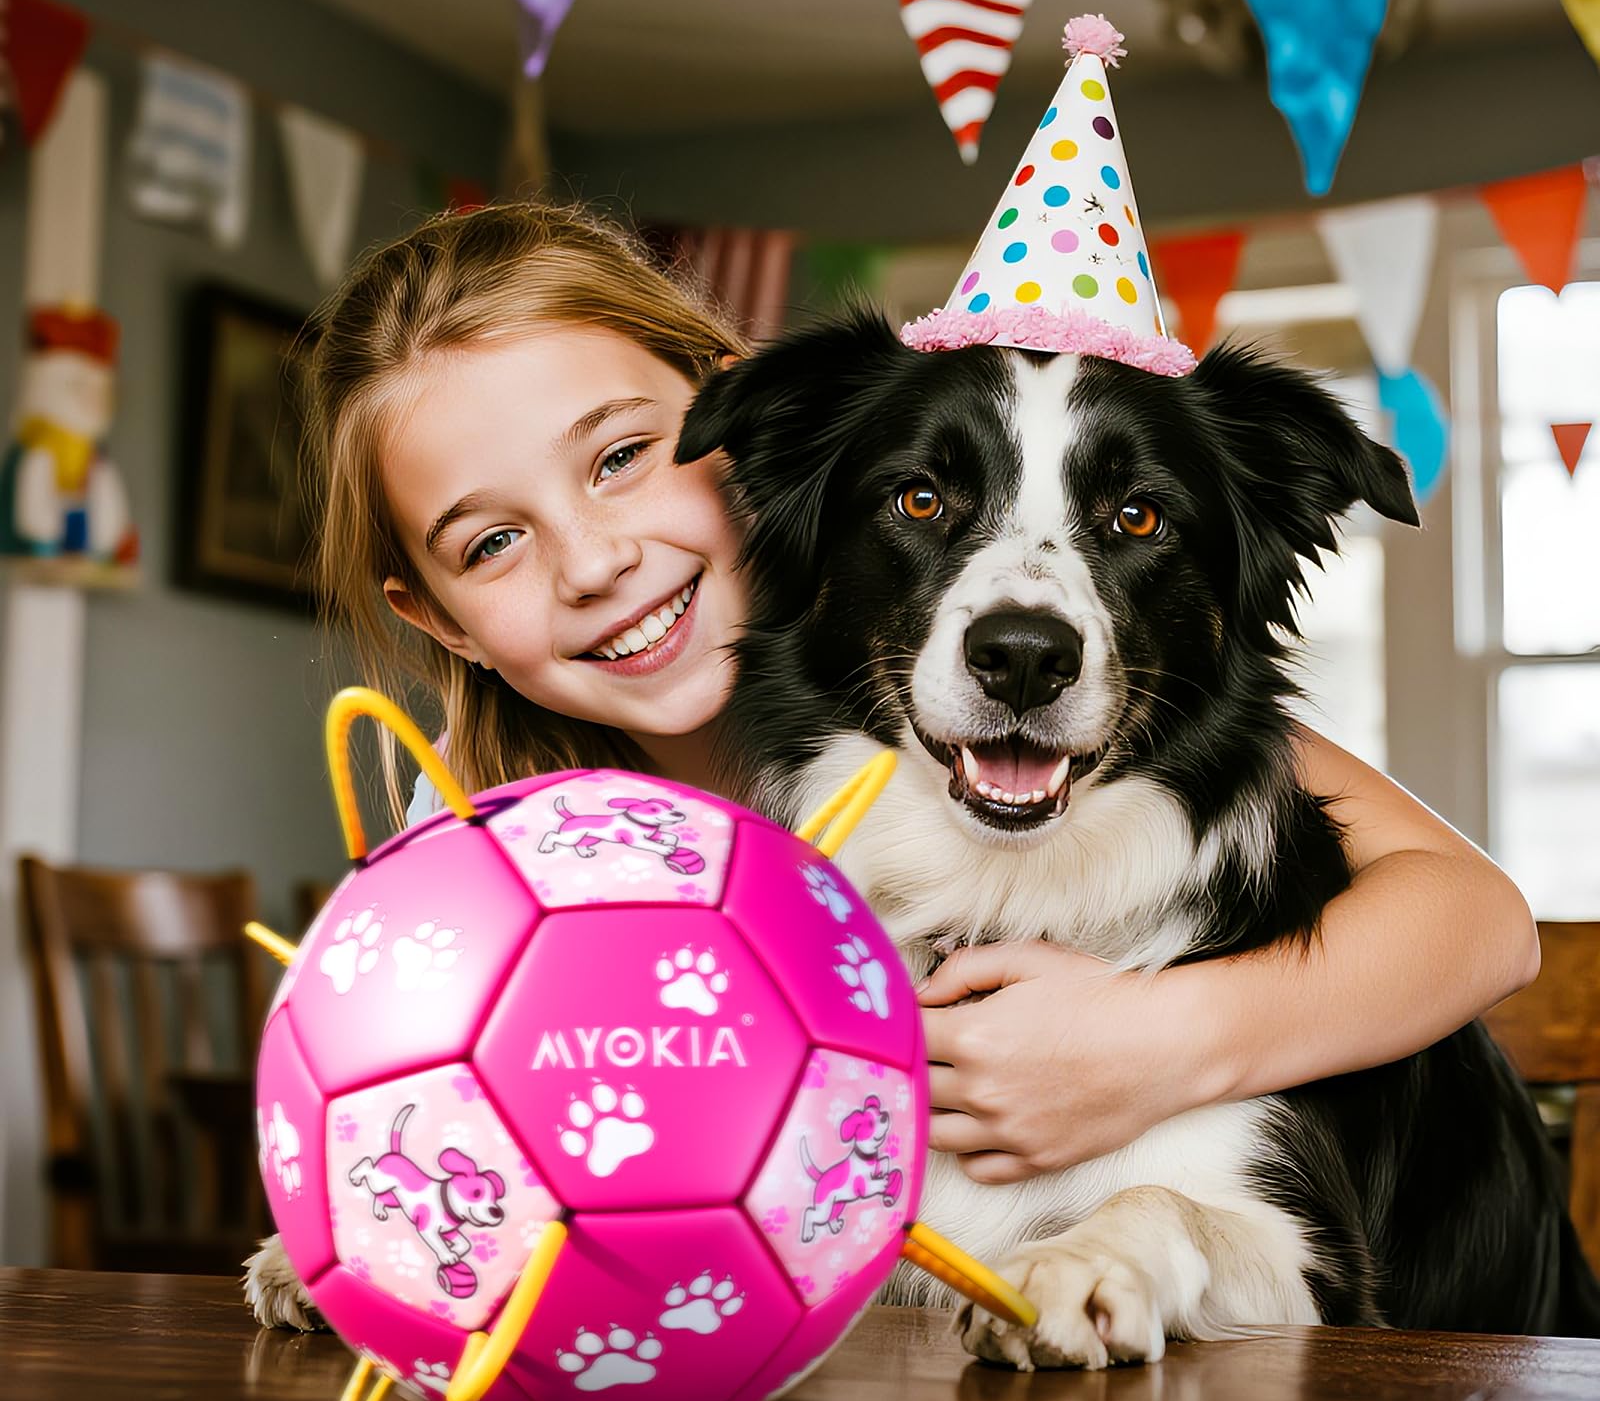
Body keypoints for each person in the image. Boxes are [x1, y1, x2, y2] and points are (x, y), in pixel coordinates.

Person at [302, 199, 1539, 1192]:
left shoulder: (1102, 715)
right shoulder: (476, 827)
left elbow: (1482, 919)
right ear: (436, 617)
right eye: (489, 543)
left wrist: (1157, 1042)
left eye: (622, 457)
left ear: (734, 432)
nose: (591, 562)